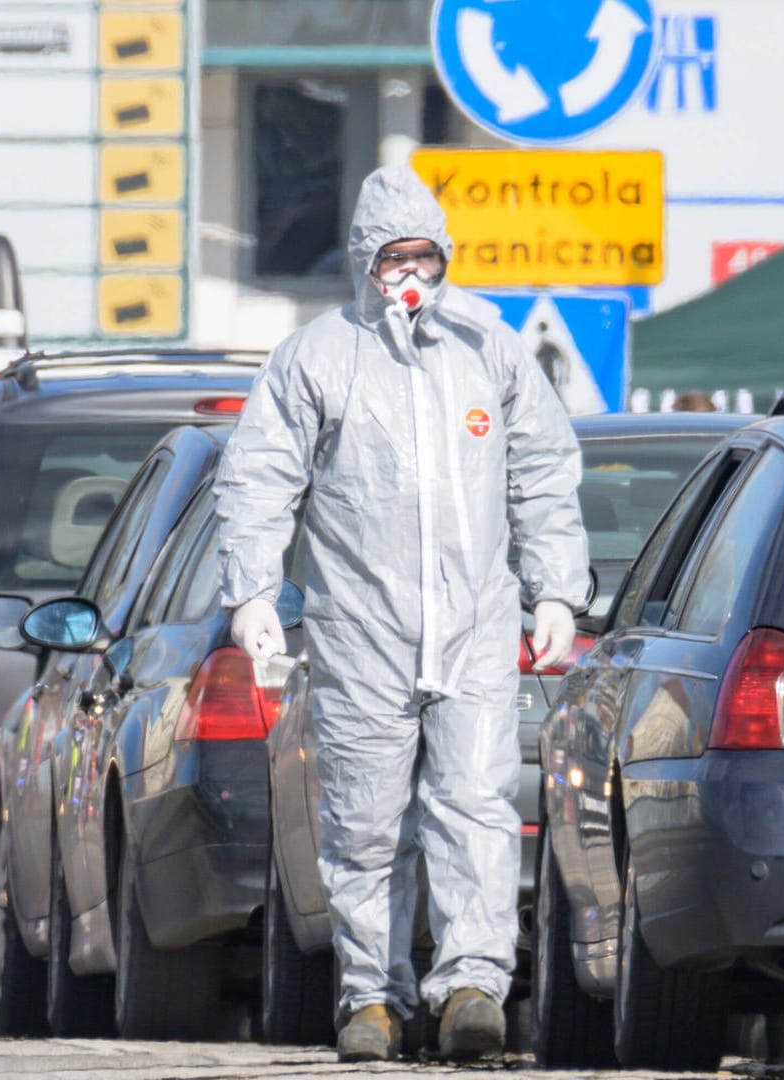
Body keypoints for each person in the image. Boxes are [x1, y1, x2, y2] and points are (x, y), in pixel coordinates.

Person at [213, 165, 590, 1063]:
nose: (408, 275)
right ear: (363, 263)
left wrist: (558, 592)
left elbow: (542, 475)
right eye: (393, 259)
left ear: (445, 258)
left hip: (475, 626)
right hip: (361, 633)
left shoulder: (488, 351)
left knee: (475, 805)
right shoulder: (316, 359)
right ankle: (369, 999)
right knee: (366, 821)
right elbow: (260, 480)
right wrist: (253, 593)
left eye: (423, 257)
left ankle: (471, 987)